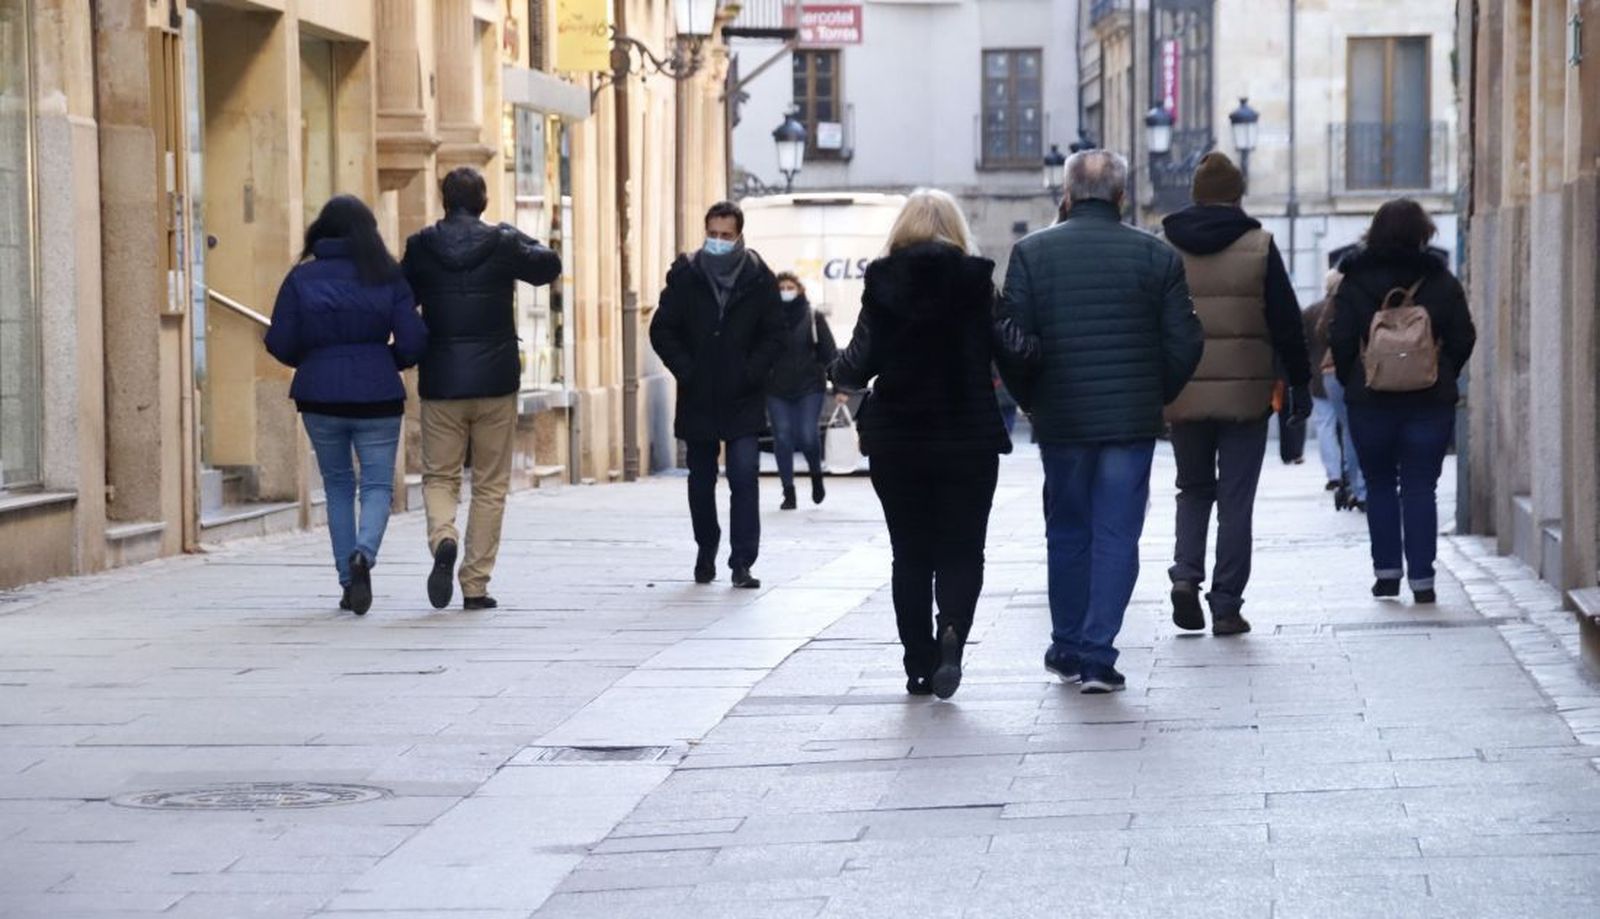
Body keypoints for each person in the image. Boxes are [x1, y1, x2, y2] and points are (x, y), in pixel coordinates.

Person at [999, 150, 1204, 693]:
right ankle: (1096, 654)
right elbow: (1186, 340)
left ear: (1065, 197)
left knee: (1067, 531)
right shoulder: (1156, 256)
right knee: (1116, 534)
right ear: (1121, 197)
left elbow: (1012, 344)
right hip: (1129, 422)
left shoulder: (1030, 254)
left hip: (1062, 419)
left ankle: (1066, 645)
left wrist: (1033, 400)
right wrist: (1153, 394)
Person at [832, 189, 1035, 700]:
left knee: (911, 553)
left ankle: (919, 663)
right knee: (964, 549)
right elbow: (1013, 349)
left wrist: (836, 370)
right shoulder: (976, 281)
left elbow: (857, 362)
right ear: (956, 228)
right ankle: (953, 637)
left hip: (899, 437)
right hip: (967, 435)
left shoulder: (881, 281)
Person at [1161, 152, 1312, 637]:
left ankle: (1185, 573)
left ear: (1195, 193)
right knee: (1236, 498)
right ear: (1237, 194)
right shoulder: (1259, 246)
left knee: (1192, 489)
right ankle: (1225, 605)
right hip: (1247, 395)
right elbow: (1287, 323)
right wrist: (1300, 383)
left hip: (1183, 390)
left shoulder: (1167, 247)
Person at [403, 167, 561, 611]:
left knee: (440, 476)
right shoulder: (503, 242)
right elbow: (549, 266)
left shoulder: (421, 246)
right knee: (490, 485)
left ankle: (443, 539)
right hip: (494, 380)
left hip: (442, 380)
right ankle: (474, 585)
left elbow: (401, 294)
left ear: (443, 199)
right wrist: (518, 236)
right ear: (484, 201)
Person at [264, 195, 429, 616]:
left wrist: (314, 361)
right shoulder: (387, 276)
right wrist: (386, 360)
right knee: (376, 485)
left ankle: (345, 579)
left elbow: (279, 340)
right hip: (377, 393)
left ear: (321, 232)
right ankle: (364, 555)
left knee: (337, 485)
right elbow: (412, 341)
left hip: (319, 396)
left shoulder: (302, 279)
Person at [1330, 199, 1476, 604]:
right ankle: (1423, 580)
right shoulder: (1441, 280)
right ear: (1423, 232)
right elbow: (1464, 335)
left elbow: (1340, 338)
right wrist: (1441, 370)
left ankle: (1387, 573)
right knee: (1419, 487)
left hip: (1370, 400)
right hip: (1430, 401)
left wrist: (1355, 378)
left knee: (1378, 485)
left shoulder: (1354, 280)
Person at [650, 201, 786, 589]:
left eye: (726, 236)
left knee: (744, 475)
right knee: (701, 478)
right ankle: (705, 547)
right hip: (699, 394)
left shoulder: (759, 278)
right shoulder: (687, 275)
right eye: (712, 234)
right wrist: (687, 370)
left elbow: (775, 335)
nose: (718, 242)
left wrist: (752, 371)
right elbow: (662, 330)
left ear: (739, 236)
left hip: (742, 395)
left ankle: (742, 560)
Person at [765, 273, 838, 509]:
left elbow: (829, 352)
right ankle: (789, 491)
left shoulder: (813, 316)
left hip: (809, 387)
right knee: (783, 438)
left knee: (808, 436)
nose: (786, 291)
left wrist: (839, 386)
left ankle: (816, 475)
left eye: (790, 287)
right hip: (776, 389)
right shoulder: (766, 319)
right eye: (781, 287)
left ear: (799, 290)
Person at [1306, 269, 1367, 509]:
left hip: (1326, 375)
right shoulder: (1353, 301)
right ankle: (1359, 485)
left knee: (1333, 427)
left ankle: (1344, 479)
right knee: (1354, 429)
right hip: (1349, 372)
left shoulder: (1316, 310)